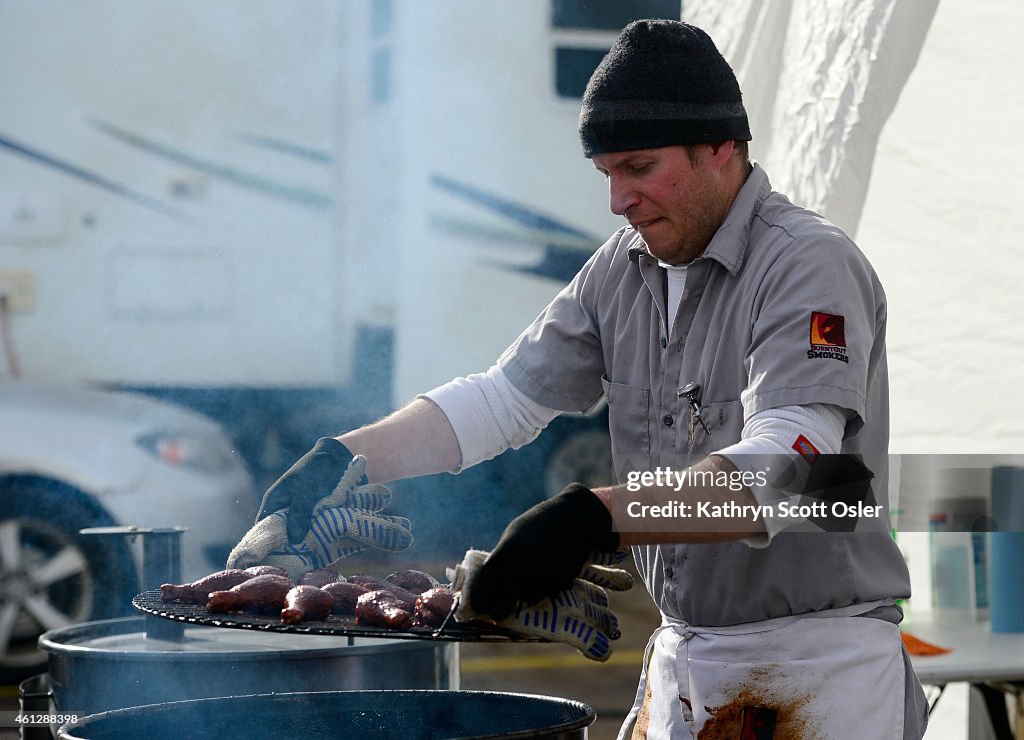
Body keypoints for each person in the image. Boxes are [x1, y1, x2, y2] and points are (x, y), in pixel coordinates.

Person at [233, 19, 928, 739]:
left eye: (638, 167)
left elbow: (793, 473)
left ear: (722, 147)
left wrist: (595, 517)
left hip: (816, 671)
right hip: (686, 660)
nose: (617, 200)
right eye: (606, 174)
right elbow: (503, 401)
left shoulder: (808, 263)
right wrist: (342, 458)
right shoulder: (622, 269)